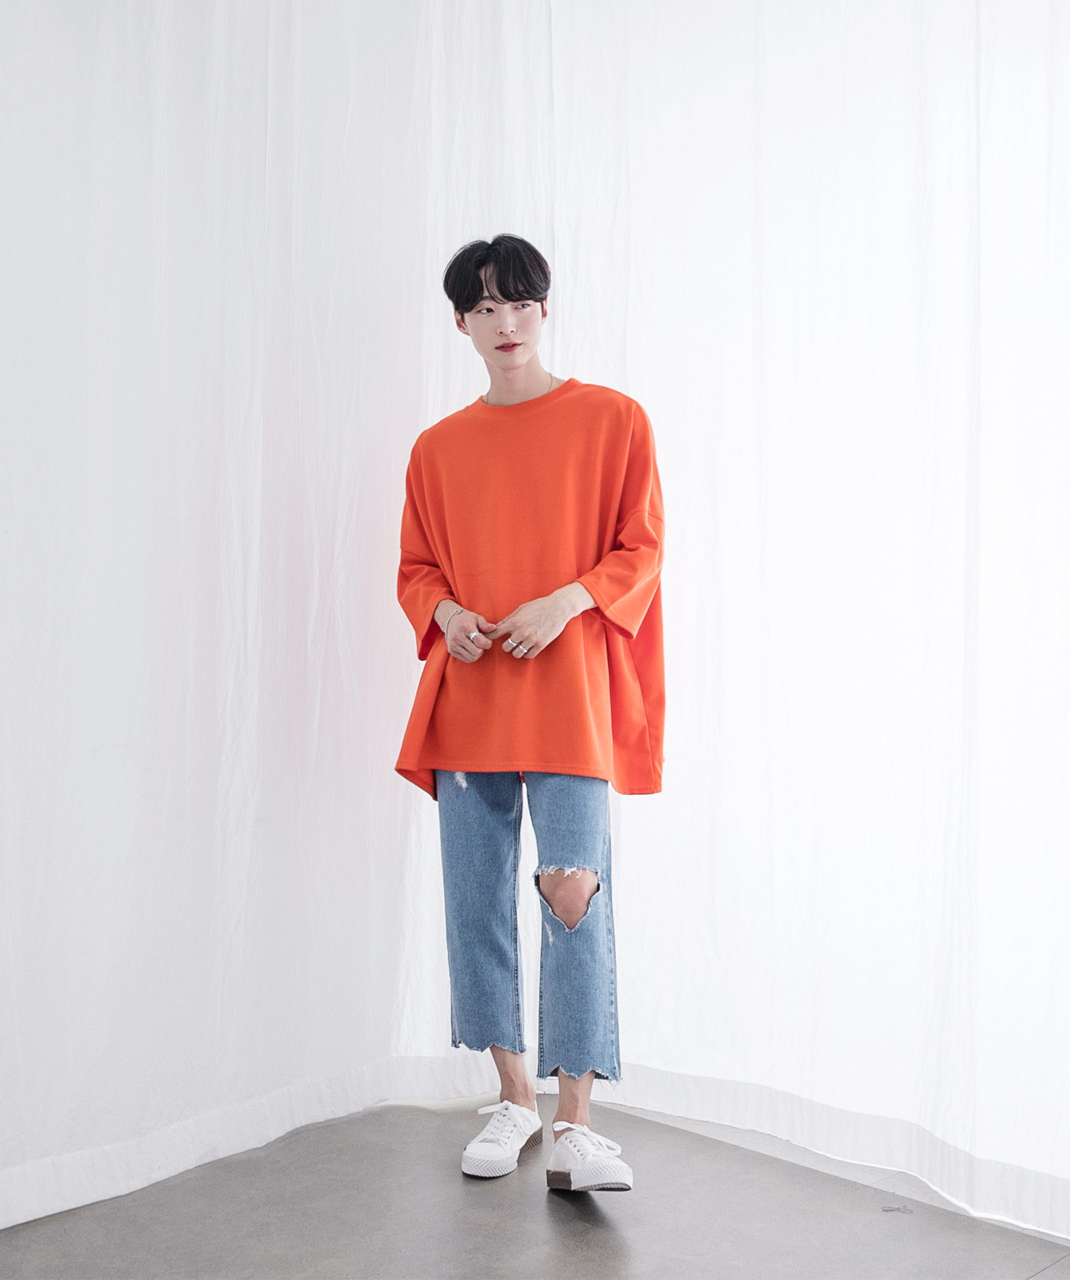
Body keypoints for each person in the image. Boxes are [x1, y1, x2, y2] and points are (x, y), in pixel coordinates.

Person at [395, 234, 665, 1193]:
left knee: (573, 892)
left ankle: (575, 1125)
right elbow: (416, 569)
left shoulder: (613, 420)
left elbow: (641, 548)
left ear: (544, 309)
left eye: (519, 303)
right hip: (470, 700)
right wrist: (446, 615)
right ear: (460, 323)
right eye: (484, 307)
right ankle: (513, 1097)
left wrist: (567, 600)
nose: (504, 322)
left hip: (569, 694)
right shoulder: (437, 449)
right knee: (476, 902)